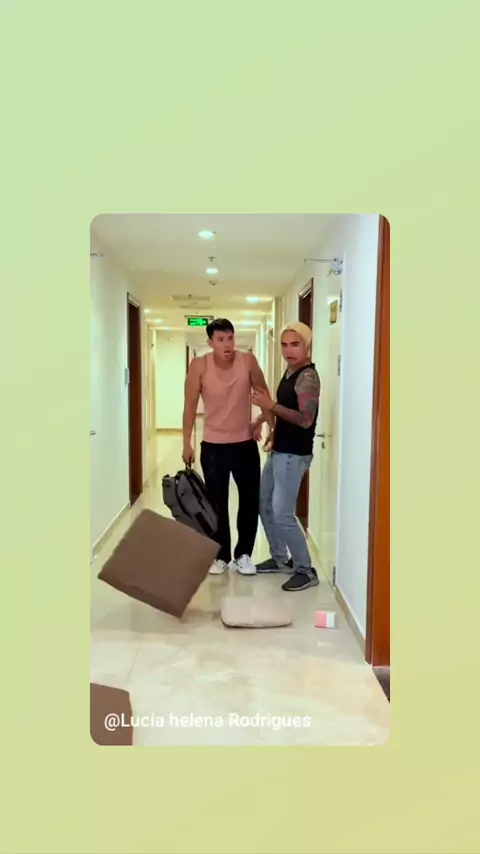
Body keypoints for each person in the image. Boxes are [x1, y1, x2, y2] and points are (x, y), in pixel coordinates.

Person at [182, 318, 273, 575]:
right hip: (213, 447)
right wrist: (186, 442)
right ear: (210, 342)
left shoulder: (248, 362)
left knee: (249, 501)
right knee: (217, 503)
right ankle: (220, 555)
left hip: (244, 444)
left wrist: (270, 426)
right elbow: (189, 407)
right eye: (221, 339)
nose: (227, 344)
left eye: (230, 338)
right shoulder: (199, 366)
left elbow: (264, 396)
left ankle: (244, 554)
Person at [251, 321, 321, 591]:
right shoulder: (290, 373)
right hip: (280, 450)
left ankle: (305, 569)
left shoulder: (307, 377)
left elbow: (305, 419)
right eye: (284, 345)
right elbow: (284, 408)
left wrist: (270, 405)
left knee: (282, 513)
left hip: (294, 454)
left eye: (295, 344)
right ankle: (280, 559)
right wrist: (263, 419)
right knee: (265, 505)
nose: (289, 351)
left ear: (307, 346)